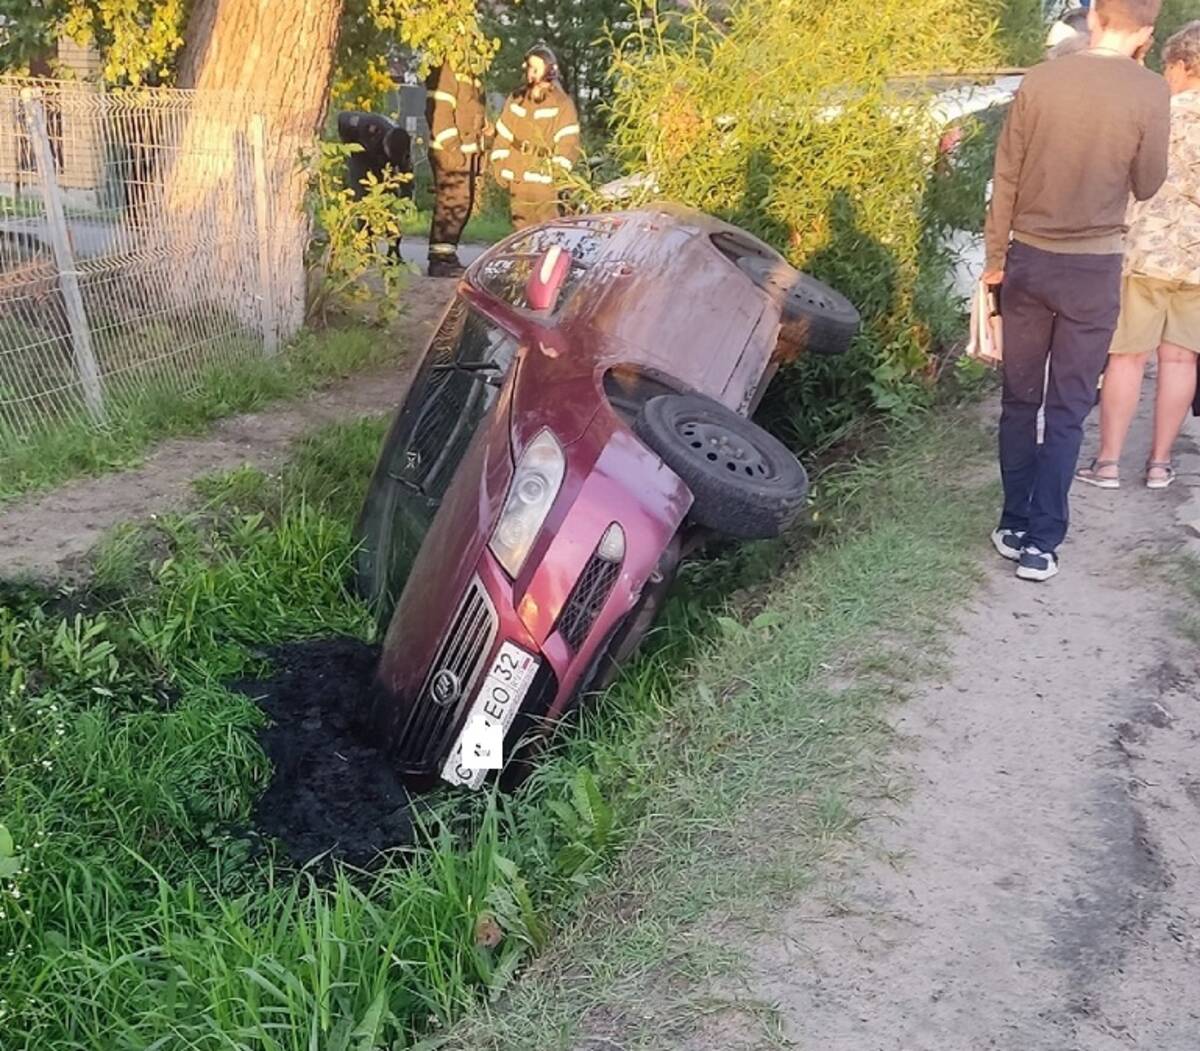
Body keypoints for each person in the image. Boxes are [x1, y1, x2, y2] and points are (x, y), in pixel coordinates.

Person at [983, 0, 1170, 582]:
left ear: (1093, 19)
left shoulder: (1040, 80)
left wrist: (993, 262)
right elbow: (1148, 182)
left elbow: (1005, 176)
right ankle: (1043, 543)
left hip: (1028, 261)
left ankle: (1013, 522)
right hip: (1093, 270)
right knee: (1067, 409)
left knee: (1019, 400)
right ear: (1147, 32)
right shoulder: (1151, 91)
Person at [1076, 21, 1200, 492]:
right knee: (1181, 361)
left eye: (1169, 67)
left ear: (1183, 65)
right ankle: (1160, 465)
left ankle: (1107, 464)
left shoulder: (1158, 111)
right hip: (1196, 263)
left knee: (1126, 359)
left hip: (1143, 253)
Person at [489, 44, 581, 229]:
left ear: (549, 69)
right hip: (518, 178)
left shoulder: (561, 103)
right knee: (520, 233)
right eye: (530, 67)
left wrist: (555, 173)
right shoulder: (517, 99)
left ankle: (544, 259)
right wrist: (500, 166)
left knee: (547, 231)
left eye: (536, 68)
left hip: (544, 182)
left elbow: (568, 143)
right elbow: (503, 136)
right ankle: (522, 259)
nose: (531, 72)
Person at [425, 60, 486, 278]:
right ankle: (440, 261)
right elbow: (440, 114)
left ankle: (447, 256)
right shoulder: (450, 69)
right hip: (450, 154)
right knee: (451, 205)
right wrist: (453, 150)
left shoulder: (471, 72)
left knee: (461, 205)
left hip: (464, 153)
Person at [336, 111, 414, 261]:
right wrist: (347, 146)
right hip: (360, 156)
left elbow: (407, 175)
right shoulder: (367, 124)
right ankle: (366, 246)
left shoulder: (402, 148)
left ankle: (394, 251)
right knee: (362, 199)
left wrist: (406, 198)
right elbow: (342, 118)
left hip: (382, 163)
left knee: (390, 203)